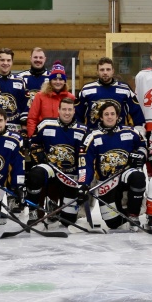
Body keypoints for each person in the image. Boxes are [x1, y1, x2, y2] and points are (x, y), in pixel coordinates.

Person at [80, 101, 149, 232]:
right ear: (101, 117)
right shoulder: (92, 137)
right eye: (106, 114)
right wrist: (83, 184)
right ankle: (123, 213)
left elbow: (143, 146)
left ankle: (133, 216)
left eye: (112, 114)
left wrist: (140, 154)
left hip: (124, 176)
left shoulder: (131, 132)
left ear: (118, 116)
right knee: (113, 223)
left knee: (138, 176)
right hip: (106, 183)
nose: (110, 117)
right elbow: (86, 164)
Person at [25, 97, 90, 228]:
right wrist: (39, 155)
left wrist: (83, 183)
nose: (67, 113)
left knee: (68, 222)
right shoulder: (46, 124)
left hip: (71, 175)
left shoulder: (83, 130)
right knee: (35, 174)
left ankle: (58, 209)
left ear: (74, 111)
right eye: (64, 109)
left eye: (70, 110)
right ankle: (33, 210)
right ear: (58, 110)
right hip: (51, 169)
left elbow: (85, 159)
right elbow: (34, 143)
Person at [76, 57, 146, 136]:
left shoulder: (125, 89)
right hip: (93, 137)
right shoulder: (86, 90)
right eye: (102, 70)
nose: (105, 72)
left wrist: (139, 135)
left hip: (119, 137)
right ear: (97, 72)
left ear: (113, 71)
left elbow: (136, 114)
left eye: (108, 69)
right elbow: (77, 115)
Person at [27, 61, 75, 139]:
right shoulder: (40, 96)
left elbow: (75, 119)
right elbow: (32, 118)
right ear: (50, 81)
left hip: (64, 137)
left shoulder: (71, 97)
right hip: (43, 137)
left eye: (61, 79)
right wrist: (32, 137)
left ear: (64, 81)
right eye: (55, 79)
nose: (58, 82)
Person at [0, 48, 29, 135]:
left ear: (12, 62)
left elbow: (25, 105)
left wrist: (24, 125)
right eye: (2, 60)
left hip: (15, 128)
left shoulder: (20, 81)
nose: (5, 63)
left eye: (8, 60)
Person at [18, 47, 50, 111]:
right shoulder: (20, 77)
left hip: (45, 117)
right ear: (30, 59)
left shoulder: (52, 78)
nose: (38, 60)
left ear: (45, 59)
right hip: (25, 117)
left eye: (41, 57)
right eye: (35, 57)